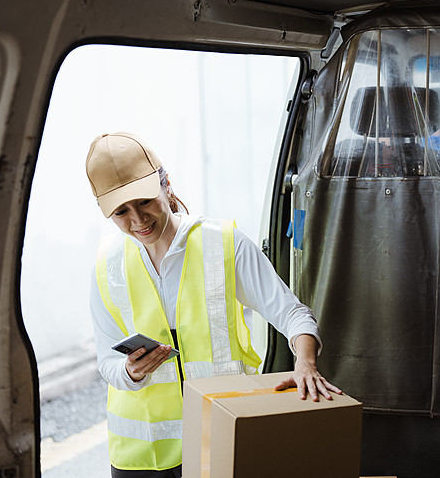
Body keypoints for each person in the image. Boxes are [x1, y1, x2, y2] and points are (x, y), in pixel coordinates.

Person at [85, 132, 341, 477]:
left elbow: (292, 313)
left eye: (145, 201)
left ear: (167, 185)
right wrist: (130, 372)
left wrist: (306, 363)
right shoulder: (107, 264)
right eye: (121, 212)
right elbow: (107, 362)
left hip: (222, 436)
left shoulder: (224, 244)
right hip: (142, 457)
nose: (138, 220)